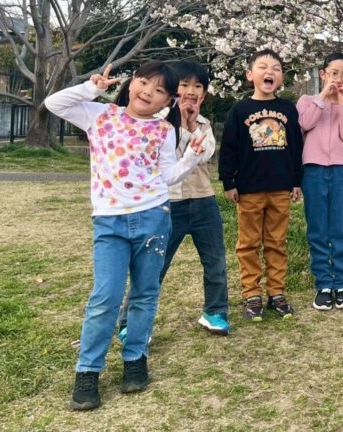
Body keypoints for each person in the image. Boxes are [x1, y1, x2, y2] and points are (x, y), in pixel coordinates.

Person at [45, 62, 207, 411]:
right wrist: (92, 88)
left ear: (168, 100)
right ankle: (88, 370)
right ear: (132, 83)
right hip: (110, 222)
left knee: (145, 294)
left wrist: (191, 158)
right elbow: (54, 104)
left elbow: (167, 176)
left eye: (159, 90)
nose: (148, 92)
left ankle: (136, 358)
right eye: (144, 82)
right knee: (106, 297)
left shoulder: (164, 130)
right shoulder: (101, 115)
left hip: (154, 218)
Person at [219, 48, 304, 322]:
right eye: (263, 67)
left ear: (281, 78)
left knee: (277, 242)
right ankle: (251, 293)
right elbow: (228, 148)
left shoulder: (288, 109)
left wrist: (297, 181)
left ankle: (277, 292)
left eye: (276, 68)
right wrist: (228, 181)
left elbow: (296, 147)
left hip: (281, 188)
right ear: (249, 75)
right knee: (249, 243)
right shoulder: (240, 110)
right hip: (249, 189)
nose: (270, 72)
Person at [297, 52, 343, 310]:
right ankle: (323, 282)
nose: (339, 79)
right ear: (323, 75)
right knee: (318, 228)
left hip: (342, 171)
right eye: (334, 73)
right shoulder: (307, 101)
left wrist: (342, 104)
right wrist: (323, 96)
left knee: (341, 227)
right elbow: (305, 123)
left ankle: (342, 283)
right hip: (313, 171)